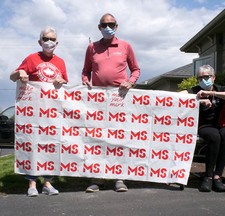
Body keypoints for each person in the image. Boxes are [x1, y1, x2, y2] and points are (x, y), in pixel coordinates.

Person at [81, 13, 140, 192]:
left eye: (111, 24)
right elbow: (85, 71)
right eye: (104, 24)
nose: (108, 27)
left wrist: (130, 82)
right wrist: (85, 80)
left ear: (116, 26)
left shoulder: (125, 46)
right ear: (99, 27)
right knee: (97, 138)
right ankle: (97, 178)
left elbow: (136, 69)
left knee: (118, 138)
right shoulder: (92, 47)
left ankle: (119, 178)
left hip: (119, 99)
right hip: (97, 100)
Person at [10, 26, 68, 197]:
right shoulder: (31, 58)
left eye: (52, 39)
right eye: (46, 38)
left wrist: (61, 79)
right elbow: (12, 77)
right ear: (40, 41)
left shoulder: (61, 62)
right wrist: (20, 72)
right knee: (33, 145)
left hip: (52, 114)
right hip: (33, 113)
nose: (49, 42)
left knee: (50, 146)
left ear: (57, 43)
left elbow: (65, 83)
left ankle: (48, 183)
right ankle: (32, 183)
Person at [182, 65, 225, 192]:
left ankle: (217, 176)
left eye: (206, 77)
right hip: (204, 125)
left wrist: (210, 93)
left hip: (221, 124)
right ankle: (208, 177)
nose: (202, 80)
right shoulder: (195, 90)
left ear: (213, 78)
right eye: (200, 78)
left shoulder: (219, 89)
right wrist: (198, 101)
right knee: (214, 136)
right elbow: (179, 95)